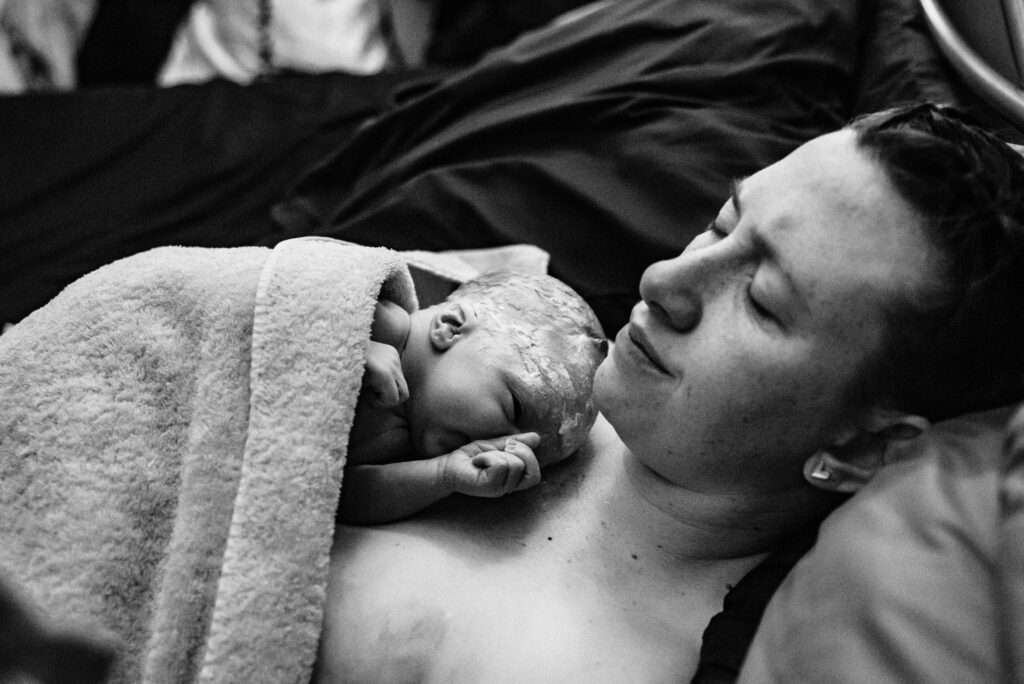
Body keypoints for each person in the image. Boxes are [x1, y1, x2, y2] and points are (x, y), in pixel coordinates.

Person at [311, 104, 1024, 683]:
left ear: (864, 445)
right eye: (722, 223)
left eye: (764, 302)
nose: (663, 282)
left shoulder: (646, 665)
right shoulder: (513, 327)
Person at [338, 270, 608, 524]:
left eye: (526, 449)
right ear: (451, 327)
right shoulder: (382, 322)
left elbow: (342, 499)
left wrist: (443, 475)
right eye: (515, 408)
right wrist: (351, 345)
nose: (499, 443)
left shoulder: (404, 452)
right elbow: (302, 290)